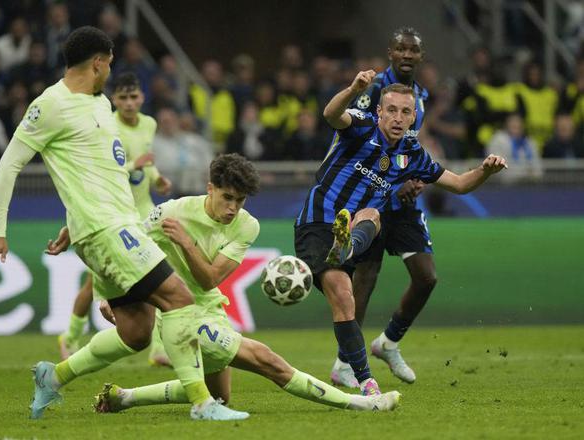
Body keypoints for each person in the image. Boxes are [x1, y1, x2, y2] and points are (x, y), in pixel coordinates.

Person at [0, 26, 247, 422]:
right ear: (98, 62)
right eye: (109, 65)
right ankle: (202, 403)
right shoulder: (50, 104)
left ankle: (54, 376)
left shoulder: (100, 104)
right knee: (179, 298)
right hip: (106, 229)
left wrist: (73, 224)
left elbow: (96, 171)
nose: (109, 71)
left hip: (113, 224)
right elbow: (9, 165)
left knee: (136, 333)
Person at [85, 154, 400, 413]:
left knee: (220, 397)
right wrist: (107, 296)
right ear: (210, 189)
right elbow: (122, 249)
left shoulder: (247, 225)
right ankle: (361, 403)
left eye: (240, 200)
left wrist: (187, 244)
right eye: (227, 198)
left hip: (210, 308)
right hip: (181, 315)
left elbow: (209, 280)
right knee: (268, 361)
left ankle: (123, 397)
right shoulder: (172, 212)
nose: (233, 208)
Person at [294, 70, 507, 397]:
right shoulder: (362, 126)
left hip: (351, 230)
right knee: (345, 295)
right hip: (317, 223)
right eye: (391, 110)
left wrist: (485, 170)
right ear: (379, 111)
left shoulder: (413, 155)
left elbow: (459, 184)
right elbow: (331, 114)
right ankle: (368, 382)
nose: (397, 117)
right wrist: (353, 89)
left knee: (372, 218)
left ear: (412, 118)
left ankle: (347, 248)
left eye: (405, 112)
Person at [329, 27, 437, 388]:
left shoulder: (420, 95)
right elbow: (352, 135)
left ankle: (388, 343)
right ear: (390, 53)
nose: (407, 55)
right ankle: (345, 361)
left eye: (413, 50)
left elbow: (408, 145)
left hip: (401, 197)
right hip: (371, 195)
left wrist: (415, 177)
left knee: (426, 277)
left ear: (421, 56)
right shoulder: (375, 89)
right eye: (400, 49)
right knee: (366, 275)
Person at [57, 71, 173, 366]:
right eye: (123, 97)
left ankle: (159, 348)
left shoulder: (149, 124)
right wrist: (136, 165)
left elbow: (146, 161)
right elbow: (105, 170)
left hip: (143, 210)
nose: (129, 103)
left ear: (142, 97)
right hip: (112, 214)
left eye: (134, 96)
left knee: (162, 274)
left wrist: (156, 178)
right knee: (92, 284)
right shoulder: (106, 125)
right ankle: (70, 336)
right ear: (114, 100)